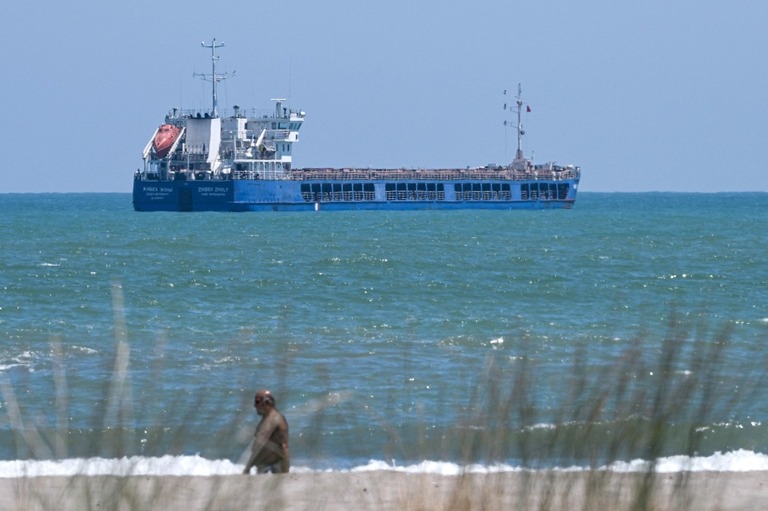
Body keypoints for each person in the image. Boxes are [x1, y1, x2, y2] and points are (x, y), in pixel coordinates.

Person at [243, 389, 290, 474]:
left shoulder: (274, 419)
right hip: (266, 465)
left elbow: (284, 446)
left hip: (271, 467)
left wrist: (248, 467)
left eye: (257, 402)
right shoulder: (267, 418)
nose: (255, 405)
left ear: (267, 403)